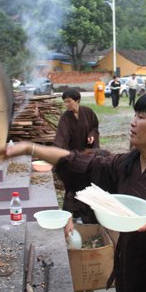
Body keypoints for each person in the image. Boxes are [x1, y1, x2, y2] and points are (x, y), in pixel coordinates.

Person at [0, 93, 146, 292]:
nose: (133, 122)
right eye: (134, 115)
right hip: (130, 265)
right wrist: (29, 148)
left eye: (142, 117)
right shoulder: (126, 164)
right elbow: (78, 162)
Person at [54, 89, 100, 222]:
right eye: (65, 102)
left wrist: (92, 136)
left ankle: (88, 217)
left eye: (69, 101)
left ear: (77, 100)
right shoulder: (65, 117)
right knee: (73, 187)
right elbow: (60, 137)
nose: (66, 104)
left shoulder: (88, 112)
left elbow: (95, 127)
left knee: (88, 186)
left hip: (88, 156)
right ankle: (71, 217)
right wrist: (58, 152)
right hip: (74, 158)